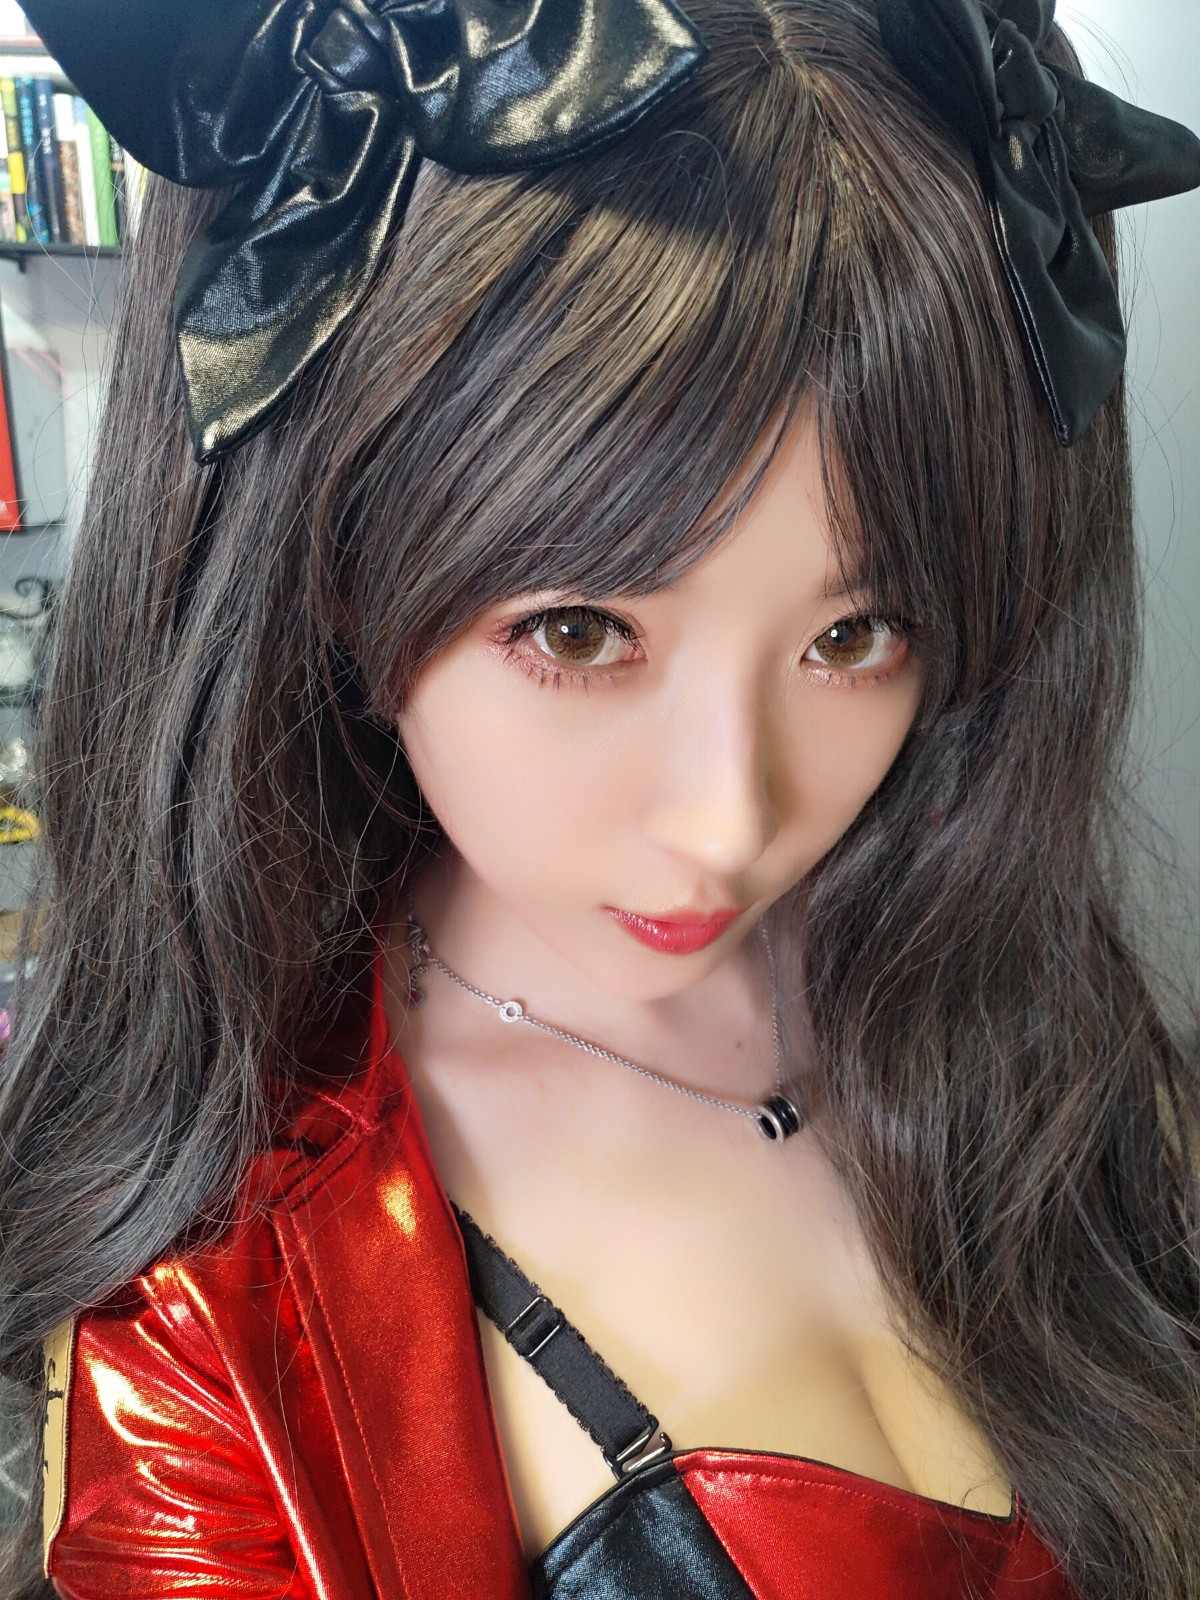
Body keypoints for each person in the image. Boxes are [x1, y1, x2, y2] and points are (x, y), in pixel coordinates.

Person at [0, 0, 1196, 1595]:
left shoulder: (1037, 1026)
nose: (730, 822)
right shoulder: (221, 1326)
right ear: (329, 567)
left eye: (856, 636)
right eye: (581, 634)